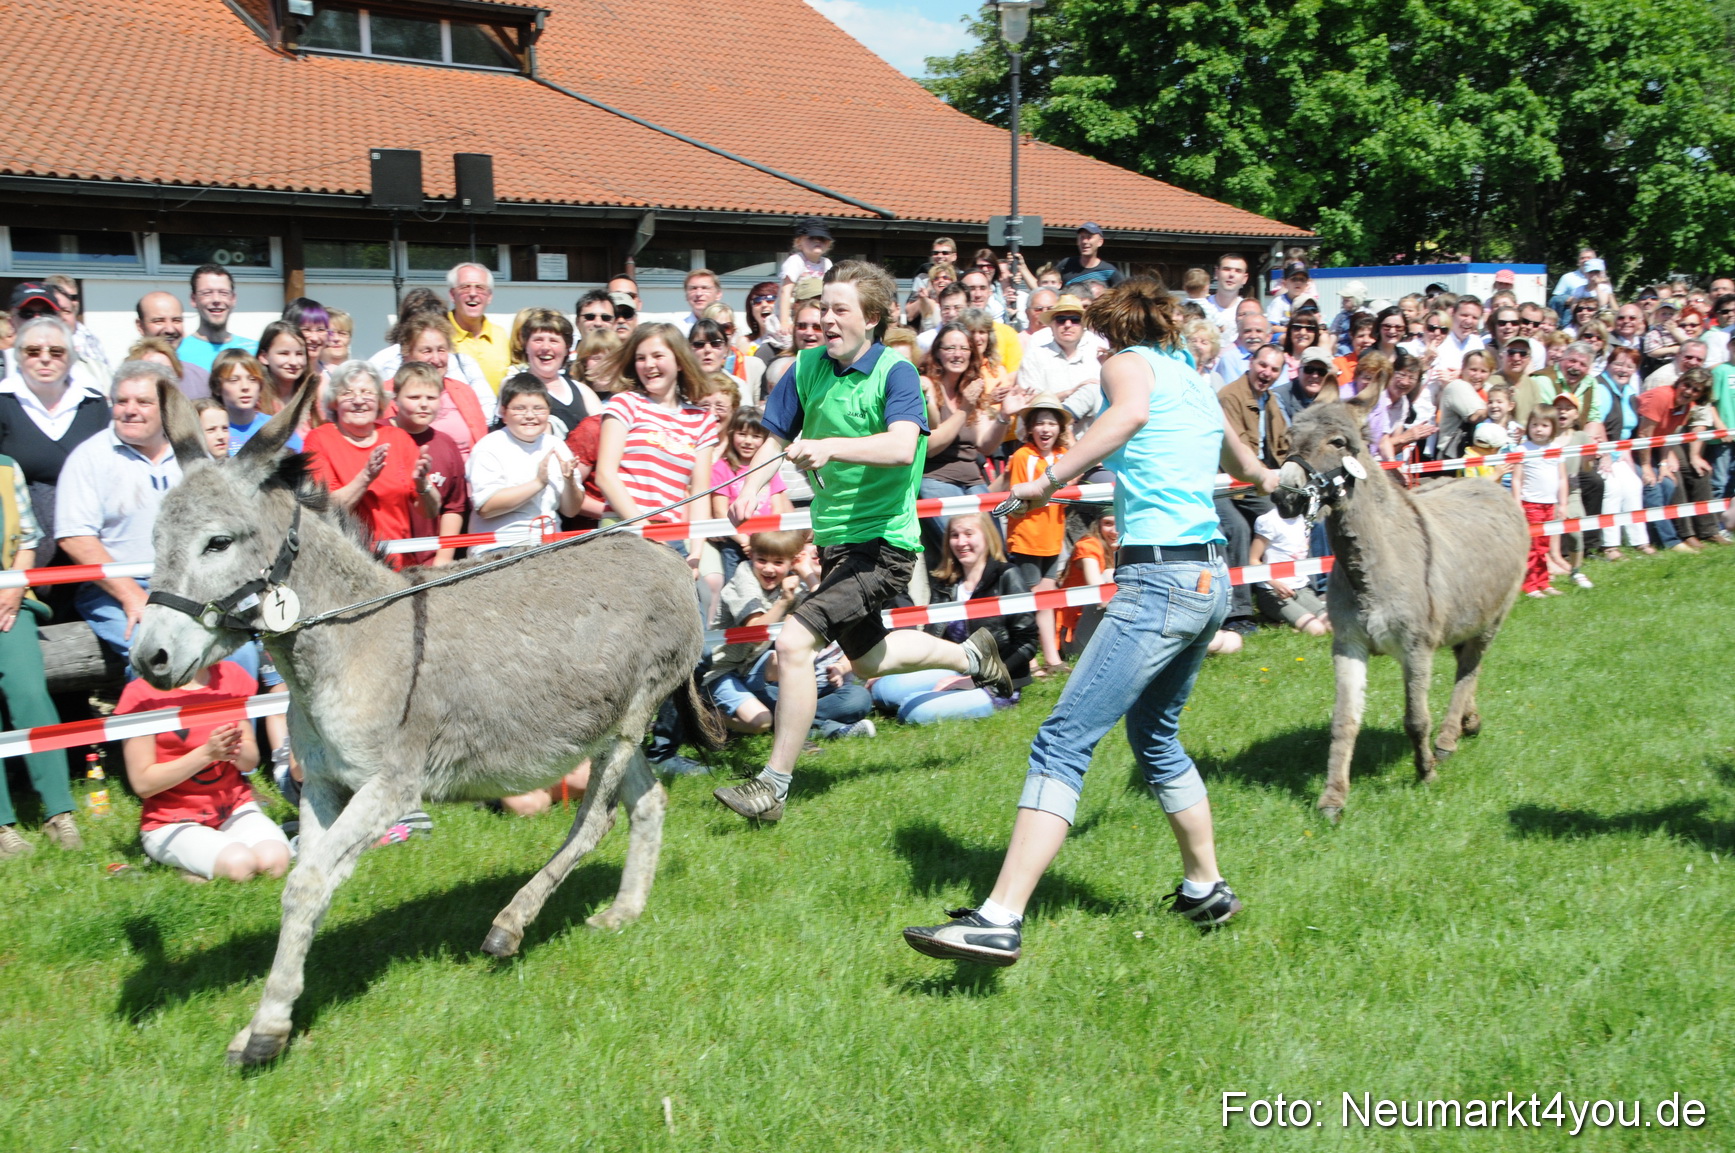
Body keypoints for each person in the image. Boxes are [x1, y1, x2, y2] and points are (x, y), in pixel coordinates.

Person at [902, 277, 1281, 965]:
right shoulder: (1192, 378)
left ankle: (998, 918)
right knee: (1155, 736)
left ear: (1113, 330)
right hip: (1207, 579)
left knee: (1061, 741)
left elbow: (1127, 415)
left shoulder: (1127, 365)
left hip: (1159, 582)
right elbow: (1248, 466)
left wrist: (1048, 479)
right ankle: (1206, 888)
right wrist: (1280, 480)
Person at [714, 261, 1017, 824]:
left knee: (794, 642)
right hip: (836, 540)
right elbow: (775, 437)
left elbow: (902, 447)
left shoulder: (896, 374)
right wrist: (751, 487)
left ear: (872, 318)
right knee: (871, 657)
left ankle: (773, 787)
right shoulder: (806, 367)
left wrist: (829, 446)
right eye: (822, 309)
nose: (825, 320)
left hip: (883, 544)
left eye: (839, 310)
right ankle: (974, 655)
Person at [55, 362, 186, 661]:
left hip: (185, 587)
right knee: (158, 656)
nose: (130, 410)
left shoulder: (190, 452)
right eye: (122, 401)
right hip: (115, 588)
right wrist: (132, 596)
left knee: (241, 655)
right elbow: (75, 538)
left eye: (143, 402)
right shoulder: (89, 457)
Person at [117, 656, 290, 883]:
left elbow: (250, 762)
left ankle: (201, 864)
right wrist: (207, 754)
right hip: (170, 821)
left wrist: (233, 749)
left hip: (234, 808)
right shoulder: (140, 694)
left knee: (275, 862)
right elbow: (143, 784)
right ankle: (177, 869)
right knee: (240, 865)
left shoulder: (231, 676)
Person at [706, 531, 876, 741]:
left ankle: (798, 723)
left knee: (858, 698)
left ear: (792, 562)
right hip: (724, 669)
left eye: (778, 562)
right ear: (751, 557)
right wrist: (784, 602)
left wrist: (806, 573)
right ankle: (706, 717)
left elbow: (830, 609)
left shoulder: (789, 582)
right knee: (761, 719)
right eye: (762, 560)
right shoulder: (745, 577)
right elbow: (756, 633)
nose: (769, 568)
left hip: (757, 672)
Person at [873, 511, 1039, 723]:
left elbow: (1027, 642)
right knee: (882, 691)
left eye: (969, 534)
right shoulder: (945, 582)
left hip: (995, 682)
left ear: (987, 536)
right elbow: (931, 640)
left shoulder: (1007, 575)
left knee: (911, 711)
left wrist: (977, 680)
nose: (961, 542)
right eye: (955, 535)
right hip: (951, 668)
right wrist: (900, 669)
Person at [0, 449, 80, 859]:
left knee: (30, 693)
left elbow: (28, 541)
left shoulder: (7, 468)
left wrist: (14, 588)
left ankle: (59, 811)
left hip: (7, 601)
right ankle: (2, 826)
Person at [593, 323, 719, 564]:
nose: (649, 364)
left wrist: (696, 552)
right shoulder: (625, 403)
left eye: (658, 356)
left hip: (671, 536)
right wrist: (646, 531)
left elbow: (700, 493)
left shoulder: (702, 420)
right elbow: (605, 475)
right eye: (641, 358)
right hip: (622, 530)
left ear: (679, 361)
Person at [304, 362, 437, 568]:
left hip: (399, 566)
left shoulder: (398, 438)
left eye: (367, 392)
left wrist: (423, 486)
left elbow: (431, 511)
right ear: (334, 402)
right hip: (348, 566)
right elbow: (325, 509)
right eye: (347, 393)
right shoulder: (319, 439)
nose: (358, 401)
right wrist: (366, 477)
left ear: (380, 400)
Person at [0, 315, 110, 564]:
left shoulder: (94, 404)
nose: (45, 358)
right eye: (33, 351)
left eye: (56, 351)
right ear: (18, 356)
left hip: (88, 541)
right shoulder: (2, 402)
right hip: (22, 548)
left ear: (70, 357)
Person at [466, 376, 584, 555]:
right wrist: (538, 483)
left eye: (538, 408)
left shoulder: (557, 445)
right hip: (500, 547)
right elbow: (486, 507)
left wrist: (569, 482)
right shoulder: (489, 447)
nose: (530, 416)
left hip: (550, 544)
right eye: (519, 409)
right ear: (504, 412)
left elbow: (571, 511)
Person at [998, 396, 1073, 675]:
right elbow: (1020, 497)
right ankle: (1028, 660)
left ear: (1060, 428)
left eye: (1052, 423)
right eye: (1040, 423)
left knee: (1046, 599)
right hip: (1027, 538)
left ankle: (1052, 659)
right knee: (1029, 602)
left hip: (1053, 538)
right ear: (1029, 428)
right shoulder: (1022, 456)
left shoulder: (1064, 455)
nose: (1046, 429)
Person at [390, 363, 468, 567]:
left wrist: (443, 559)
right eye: (414, 397)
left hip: (428, 562)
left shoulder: (446, 445)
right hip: (383, 557)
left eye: (431, 398)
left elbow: (454, 507)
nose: (424, 404)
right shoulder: (377, 435)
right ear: (395, 398)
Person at [710, 405, 793, 583]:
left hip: (767, 544)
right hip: (736, 544)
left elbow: (777, 508)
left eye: (755, 436)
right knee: (736, 587)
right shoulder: (722, 468)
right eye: (742, 434)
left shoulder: (769, 468)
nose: (748, 441)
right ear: (732, 433)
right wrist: (744, 541)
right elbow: (720, 512)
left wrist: (762, 541)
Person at [389, 312, 492, 455]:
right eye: (427, 351)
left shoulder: (463, 392)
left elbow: (481, 443)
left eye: (441, 350)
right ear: (407, 354)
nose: (436, 359)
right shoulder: (388, 393)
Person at [510, 307, 597, 440]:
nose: (545, 347)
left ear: (566, 348)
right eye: (538, 340)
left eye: (553, 341)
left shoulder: (582, 391)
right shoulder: (512, 387)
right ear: (526, 346)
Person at [1512, 405, 1567, 596]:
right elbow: (1516, 479)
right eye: (1534, 425)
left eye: (1544, 425)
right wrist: (1517, 503)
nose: (1539, 429)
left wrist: (1563, 503)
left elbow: (1562, 478)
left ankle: (1543, 581)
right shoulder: (1522, 449)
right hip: (1530, 503)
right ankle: (1530, 584)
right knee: (1533, 546)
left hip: (1549, 504)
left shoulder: (1556, 450)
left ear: (1553, 427)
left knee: (1544, 546)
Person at [1249, 506, 1328, 635]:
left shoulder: (1304, 518)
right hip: (1272, 592)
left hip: (1301, 589)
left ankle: (1286, 622)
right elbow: (1253, 560)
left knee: (1332, 624)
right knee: (1317, 630)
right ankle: (1276, 619)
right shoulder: (1268, 521)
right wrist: (1274, 583)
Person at [211, 349, 301, 456]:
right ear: (217, 387)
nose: (245, 387)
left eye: (252, 379)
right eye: (234, 380)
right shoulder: (208, 431)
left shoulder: (278, 428)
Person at [177, 264, 256, 372]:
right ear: (193, 299)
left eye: (223, 293)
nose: (216, 300)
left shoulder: (254, 351)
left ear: (233, 299)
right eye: (207, 293)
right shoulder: (178, 353)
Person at [134, 291, 210, 397]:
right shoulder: (126, 380)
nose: (170, 329)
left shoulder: (200, 379)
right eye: (159, 321)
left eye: (176, 320)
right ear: (140, 326)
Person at [447, 262, 510, 390]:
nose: (473, 293)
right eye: (465, 287)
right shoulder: (438, 334)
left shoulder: (500, 336)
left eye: (480, 288)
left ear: (489, 296)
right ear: (452, 295)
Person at [254, 320, 311, 417]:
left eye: (299, 354)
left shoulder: (312, 398)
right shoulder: (255, 401)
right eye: (284, 353)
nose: (294, 362)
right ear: (264, 357)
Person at [1055, 222, 1125, 292]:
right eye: (1082, 237)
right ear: (1077, 241)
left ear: (1100, 242)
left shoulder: (1109, 272)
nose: (1084, 241)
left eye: (1089, 237)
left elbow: (1123, 294)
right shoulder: (1066, 264)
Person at [1202, 253, 1249, 338]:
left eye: (1238, 271)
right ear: (1216, 273)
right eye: (1226, 269)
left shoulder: (1249, 311)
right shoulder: (1201, 307)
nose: (1231, 275)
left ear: (1244, 278)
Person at [676, 269, 723, 334]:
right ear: (686, 295)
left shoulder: (728, 328)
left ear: (718, 294)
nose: (699, 294)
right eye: (693, 288)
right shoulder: (678, 330)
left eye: (705, 288)